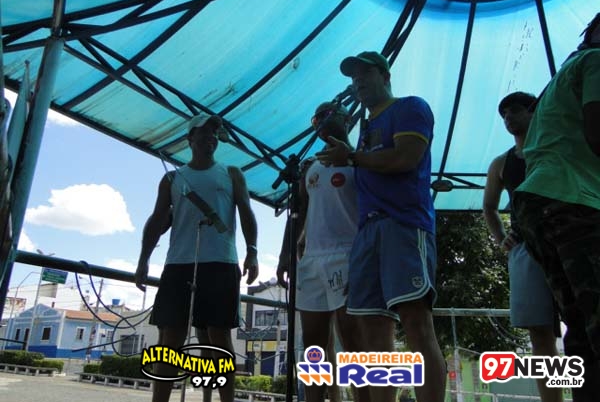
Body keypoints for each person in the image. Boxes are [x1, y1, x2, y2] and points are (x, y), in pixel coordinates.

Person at [315, 51, 446, 402]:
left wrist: (351, 157)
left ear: (386, 76)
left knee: (417, 324)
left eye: (365, 73)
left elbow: (405, 158)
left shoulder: (410, 107)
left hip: (404, 224)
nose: (357, 80)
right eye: (353, 76)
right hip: (367, 232)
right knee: (371, 331)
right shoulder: (364, 130)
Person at [134, 113, 259, 402]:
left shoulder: (232, 173)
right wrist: (143, 260)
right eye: (203, 132)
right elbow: (157, 220)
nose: (210, 137)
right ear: (190, 138)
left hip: (221, 263)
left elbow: (246, 212)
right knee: (170, 340)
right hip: (178, 264)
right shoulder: (172, 178)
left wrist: (252, 251)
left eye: (214, 133)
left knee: (219, 338)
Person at [513, 13, 600, 402]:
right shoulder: (595, 60)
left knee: (579, 326)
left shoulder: (564, 75)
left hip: (539, 205)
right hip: (572, 200)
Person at [276, 102, 368, 402]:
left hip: (349, 255)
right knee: (313, 345)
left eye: (327, 114)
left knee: (353, 342)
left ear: (347, 118)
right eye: (316, 119)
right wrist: (285, 255)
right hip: (312, 259)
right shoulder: (310, 167)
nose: (321, 122)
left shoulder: (361, 159)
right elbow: (298, 213)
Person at [483, 91, 562, 402]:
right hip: (525, 250)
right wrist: (502, 238)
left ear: (534, 112)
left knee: (586, 322)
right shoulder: (502, 163)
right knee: (539, 333)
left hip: (567, 242)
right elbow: (489, 207)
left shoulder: (557, 147)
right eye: (504, 114)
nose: (508, 117)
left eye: (515, 110)